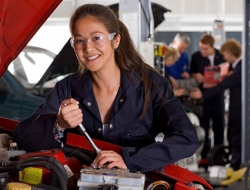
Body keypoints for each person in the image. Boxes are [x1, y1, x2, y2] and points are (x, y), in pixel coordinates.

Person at [13, 4, 199, 173]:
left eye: (96, 38)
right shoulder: (66, 88)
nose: (88, 48)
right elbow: (22, 136)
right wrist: (59, 123)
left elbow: (186, 138)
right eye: (79, 41)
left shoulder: (151, 84)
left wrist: (130, 159)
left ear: (115, 40)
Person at [190, 39, 242, 171]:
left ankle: (235, 165)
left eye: (225, 55)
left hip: (236, 109)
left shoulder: (240, 69)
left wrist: (202, 94)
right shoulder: (237, 68)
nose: (224, 57)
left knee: (235, 136)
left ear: (231, 53)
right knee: (232, 135)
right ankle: (231, 163)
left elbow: (223, 86)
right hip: (233, 108)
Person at [190, 34, 225, 169]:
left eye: (205, 49)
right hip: (202, 97)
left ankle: (218, 156)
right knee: (203, 127)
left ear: (212, 47)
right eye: (201, 48)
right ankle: (203, 158)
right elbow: (191, 72)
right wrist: (195, 75)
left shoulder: (221, 57)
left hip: (217, 96)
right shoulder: (196, 57)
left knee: (219, 127)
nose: (202, 51)